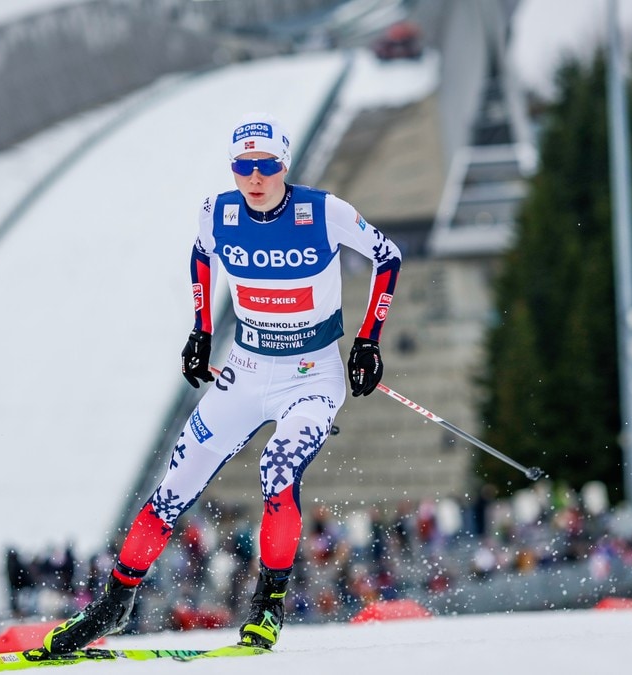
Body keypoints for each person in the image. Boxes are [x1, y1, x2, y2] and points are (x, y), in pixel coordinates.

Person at [44, 112, 401, 653]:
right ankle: (112, 607)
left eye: (266, 166)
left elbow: (387, 256)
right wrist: (200, 333)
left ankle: (267, 608)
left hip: (311, 377)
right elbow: (200, 255)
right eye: (243, 167)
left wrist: (369, 339)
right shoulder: (220, 210)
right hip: (247, 372)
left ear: (284, 165)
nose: (255, 178)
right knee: (172, 490)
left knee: (276, 470)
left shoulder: (323, 212)